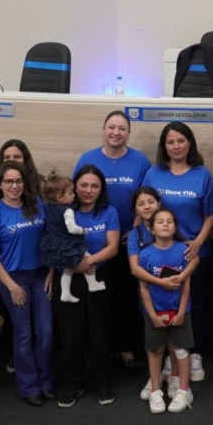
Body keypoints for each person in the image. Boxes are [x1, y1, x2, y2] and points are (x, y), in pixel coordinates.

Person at [73, 110, 152, 370]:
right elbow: (76, 197)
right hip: (93, 243)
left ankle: (127, 350)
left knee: (126, 299)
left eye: (122, 128)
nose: (116, 132)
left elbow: (146, 198)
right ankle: (101, 351)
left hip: (128, 240)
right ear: (103, 130)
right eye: (111, 127)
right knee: (98, 303)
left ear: (129, 133)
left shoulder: (140, 161)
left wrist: (136, 227)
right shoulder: (88, 158)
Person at [141, 122, 213, 385]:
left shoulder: (202, 174)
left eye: (181, 141)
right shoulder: (153, 174)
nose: (176, 146)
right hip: (161, 253)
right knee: (164, 302)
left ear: (189, 143)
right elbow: (145, 210)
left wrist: (197, 242)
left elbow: (210, 215)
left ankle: (194, 353)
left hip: (194, 252)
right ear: (164, 146)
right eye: (170, 142)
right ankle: (172, 358)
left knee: (194, 304)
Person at [0, 161, 54, 406]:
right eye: (9, 181)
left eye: (18, 181)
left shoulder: (36, 205)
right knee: (23, 335)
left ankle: (45, 381)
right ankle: (29, 386)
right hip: (14, 280)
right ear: (0, 184)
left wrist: (51, 272)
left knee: (46, 332)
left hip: (41, 275)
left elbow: (50, 241)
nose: (14, 186)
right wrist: (11, 285)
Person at [49, 166, 121, 407]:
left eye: (94, 186)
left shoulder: (109, 212)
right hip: (67, 277)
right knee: (71, 334)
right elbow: (50, 243)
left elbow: (113, 247)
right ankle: (73, 381)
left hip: (99, 276)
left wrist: (86, 262)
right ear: (74, 187)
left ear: (101, 189)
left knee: (99, 332)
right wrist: (72, 266)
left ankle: (103, 380)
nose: (88, 190)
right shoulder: (62, 212)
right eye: (84, 185)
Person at [139, 208, 198, 414]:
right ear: (151, 228)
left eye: (170, 221)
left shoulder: (183, 250)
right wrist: (152, 315)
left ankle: (183, 389)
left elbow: (186, 286)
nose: (165, 224)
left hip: (179, 311)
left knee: (181, 350)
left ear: (175, 227)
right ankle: (155, 391)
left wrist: (182, 311)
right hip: (154, 313)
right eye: (160, 222)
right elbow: (144, 288)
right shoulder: (145, 254)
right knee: (155, 350)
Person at [39, 172, 106, 304]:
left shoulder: (50, 207)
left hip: (54, 244)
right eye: (71, 194)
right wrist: (81, 230)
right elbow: (71, 228)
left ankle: (65, 292)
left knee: (67, 269)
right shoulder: (67, 211)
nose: (74, 196)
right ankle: (92, 283)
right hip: (66, 244)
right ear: (59, 197)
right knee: (86, 257)